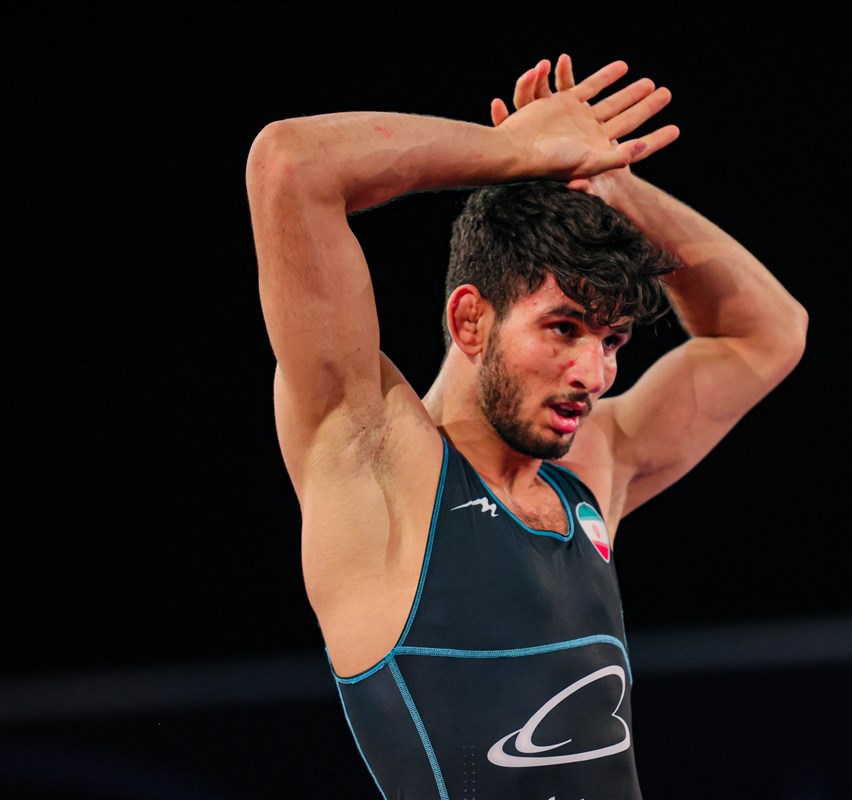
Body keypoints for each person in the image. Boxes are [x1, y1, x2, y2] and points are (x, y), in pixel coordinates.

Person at [245, 53, 807, 800]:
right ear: (470, 320)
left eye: (611, 341)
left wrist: (608, 183)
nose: (594, 373)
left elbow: (769, 333)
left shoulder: (590, 472)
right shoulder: (372, 458)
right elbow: (291, 164)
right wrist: (516, 152)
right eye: (564, 328)